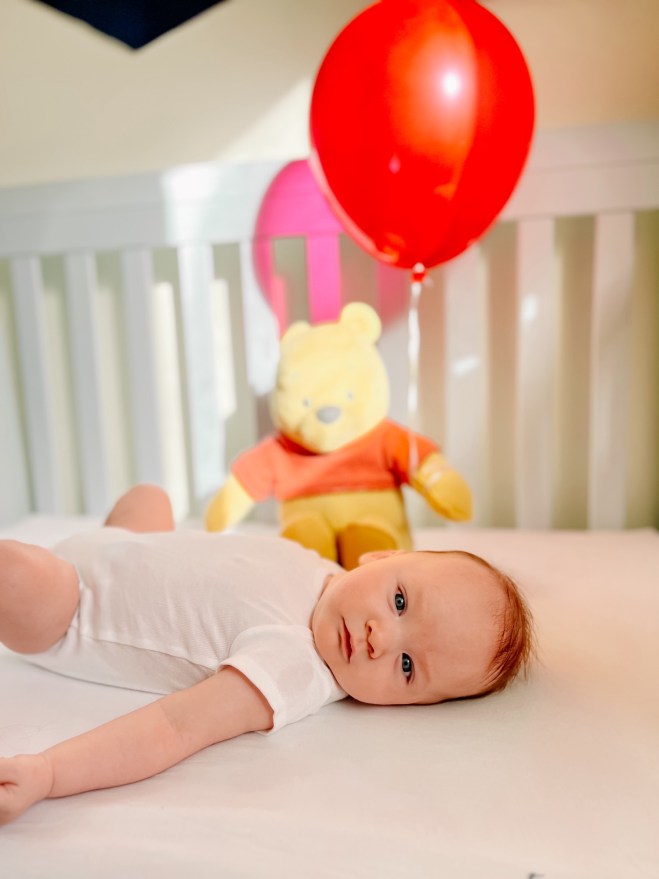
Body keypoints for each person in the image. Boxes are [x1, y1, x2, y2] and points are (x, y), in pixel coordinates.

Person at [0, 484, 533, 826]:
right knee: (150, 495)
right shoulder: (326, 570)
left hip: (74, 606)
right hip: (124, 544)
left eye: (407, 667)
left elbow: (172, 728)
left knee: (16, 575)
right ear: (381, 557)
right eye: (399, 601)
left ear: (408, 708)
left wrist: (49, 772)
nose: (381, 639)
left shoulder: (294, 666)